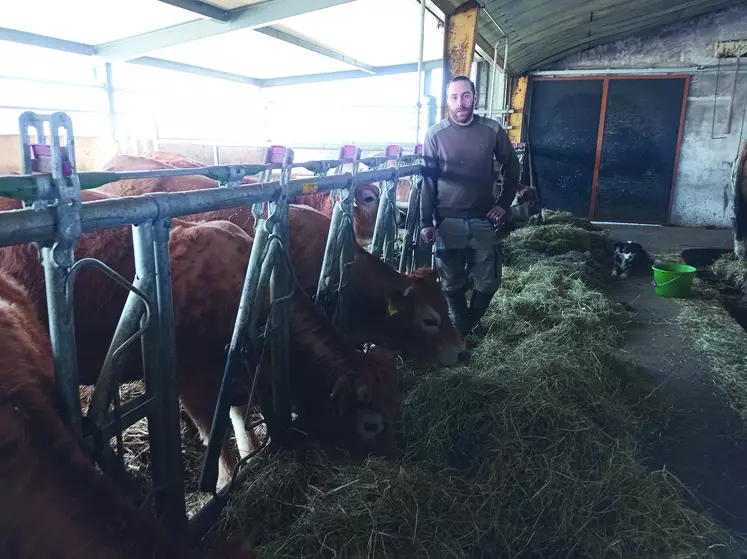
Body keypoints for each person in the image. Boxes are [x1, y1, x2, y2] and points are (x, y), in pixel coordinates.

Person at [420, 75, 521, 336]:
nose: (460, 103)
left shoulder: (492, 130)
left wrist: (504, 204)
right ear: (447, 101)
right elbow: (428, 181)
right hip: (447, 220)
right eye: (454, 97)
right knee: (451, 281)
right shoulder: (435, 134)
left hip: (482, 217)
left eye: (465, 96)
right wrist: (425, 222)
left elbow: (512, 166)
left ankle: (468, 324)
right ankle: (465, 329)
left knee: (489, 280)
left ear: (475, 98)